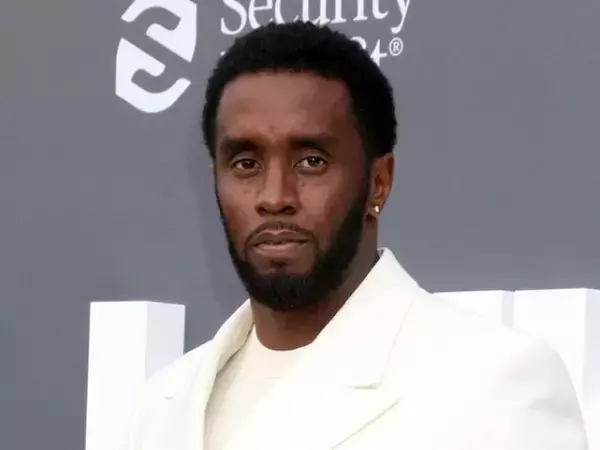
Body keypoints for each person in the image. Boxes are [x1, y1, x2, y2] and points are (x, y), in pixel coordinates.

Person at [124, 21, 587, 450]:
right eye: (246, 163)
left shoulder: (493, 385)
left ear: (378, 182)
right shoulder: (165, 403)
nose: (274, 196)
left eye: (311, 162)